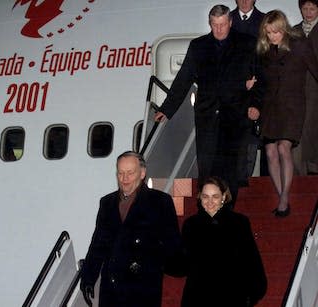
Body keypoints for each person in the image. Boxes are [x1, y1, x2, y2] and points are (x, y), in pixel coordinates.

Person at [155, 4, 264, 207]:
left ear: (230, 22)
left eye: (223, 24)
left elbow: (259, 78)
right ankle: (206, 213)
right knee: (206, 169)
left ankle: (228, 212)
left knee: (230, 169)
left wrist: (256, 104)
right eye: (215, 25)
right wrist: (166, 109)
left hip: (235, 116)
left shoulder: (247, 43)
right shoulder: (198, 46)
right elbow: (183, 79)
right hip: (207, 117)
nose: (219, 29)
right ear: (210, 23)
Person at [80, 151, 181, 307]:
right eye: (120, 173)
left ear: (142, 173)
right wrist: (88, 278)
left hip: (143, 288)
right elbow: (98, 245)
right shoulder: (107, 202)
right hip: (111, 288)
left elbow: (172, 243)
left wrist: (160, 266)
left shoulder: (160, 201)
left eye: (130, 173)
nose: (124, 179)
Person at [257, 10, 318, 217]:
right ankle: (280, 192)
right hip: (270, 108)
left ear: (283, 28)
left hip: (292, 107)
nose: (272, 36)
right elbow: (261, 81)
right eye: (268, 33)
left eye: (275, 32)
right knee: (270, 152)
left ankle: (284, 198)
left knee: (284, 148)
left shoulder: (299, 45)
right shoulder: (264, 51)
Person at [176, 176, 267, 306]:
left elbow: (251, 259)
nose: (210, 201)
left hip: (232, 296)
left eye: (215, 196)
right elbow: (183, 264)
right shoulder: (191, 225)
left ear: (224, 197)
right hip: (198, 297)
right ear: (200, 197)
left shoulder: (239, 222)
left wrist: (250, 296)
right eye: (205, 196)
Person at [231, 0, 268, 183]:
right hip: (232, 99)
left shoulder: (265, 21)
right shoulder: (226, 21)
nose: (245, 1)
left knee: (252, 149)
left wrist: (256, 102)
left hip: (257, 97)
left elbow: (266, 67)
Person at [293, 0, 318, 175]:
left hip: (316, 91)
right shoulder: (293, 31)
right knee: (299, 131)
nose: (308, 12)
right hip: (297, 91)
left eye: (312, 8)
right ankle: (299, 174)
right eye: (305, 8)